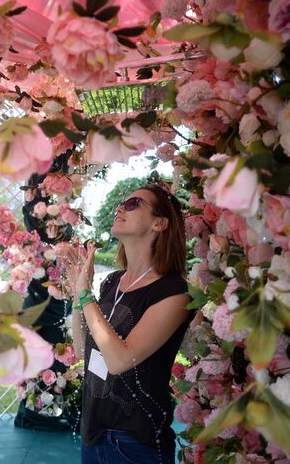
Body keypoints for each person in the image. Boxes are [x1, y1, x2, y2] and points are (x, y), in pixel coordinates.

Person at [68, 184, 191, 464]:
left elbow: (120, 360)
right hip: (94, 433)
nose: (120, 207)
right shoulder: (113, 282)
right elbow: (82, 351)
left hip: (135, 442)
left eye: (134, 203)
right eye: (120, 204)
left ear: (159, 223)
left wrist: (87, 295)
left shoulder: (173, 292)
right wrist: (79, 295)